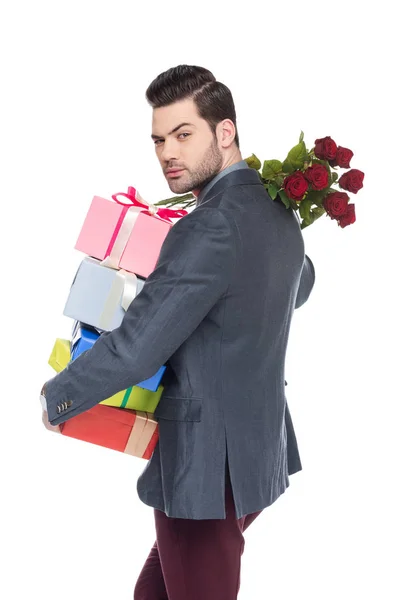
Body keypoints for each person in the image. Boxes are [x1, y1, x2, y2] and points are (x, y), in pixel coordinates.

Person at [40, 64, 315, 600]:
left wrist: (59, 396)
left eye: (183, 134)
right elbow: (297, 286)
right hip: (256, 455)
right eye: (159, 139)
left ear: (225, 132)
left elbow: (138, 347)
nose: (168, 152)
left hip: (207, 468)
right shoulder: (279, 213)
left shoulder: (207, 227)